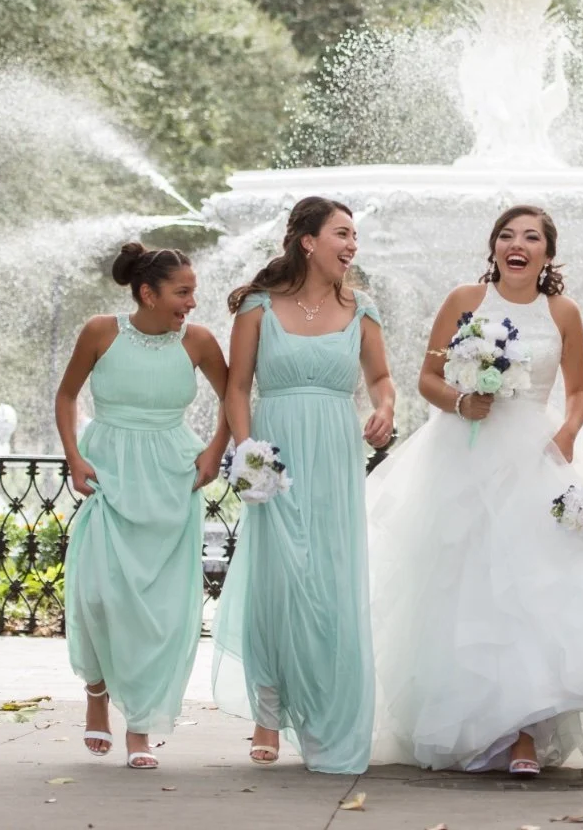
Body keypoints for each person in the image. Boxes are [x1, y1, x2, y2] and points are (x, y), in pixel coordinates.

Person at [368, 205, 583, 775]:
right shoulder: (464, 300)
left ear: (547, 253)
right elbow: (427, 378)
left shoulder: (563, 311)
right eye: (506, 235)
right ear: (494, 246)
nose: (516, 244)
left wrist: (569, 431)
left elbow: (579, 393)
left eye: (531, 237)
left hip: (532, 455)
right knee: (461, 588)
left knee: (531, 588)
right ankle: (468, 722)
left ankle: (524, 734)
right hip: (461, 452)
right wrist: (463, 401)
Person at [213, 197, 396, 774]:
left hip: (336, 455)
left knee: (329, 580)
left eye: (355, 236)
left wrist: (386, 408)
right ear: (308, 241)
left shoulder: (362, 309)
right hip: (276, 453)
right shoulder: (258, 308)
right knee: (277, 578)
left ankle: (325, 711)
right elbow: (237, 388)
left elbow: (382, 379)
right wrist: (247, 452)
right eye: (342, 233)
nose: (352, 245)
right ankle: (268, 711)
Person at [58, 243, 230, 770]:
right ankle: (96, 692)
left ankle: (140, 727)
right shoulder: (100, 331)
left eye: (193, 292)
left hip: (171, 478)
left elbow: (236, 396)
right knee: (97, 595)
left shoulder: (198, 341)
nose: (192, 303)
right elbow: (67, 396)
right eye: (183, 293)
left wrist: (214, 451)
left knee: (156, 611)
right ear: (148, 293)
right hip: (109, 471)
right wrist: (73, 457)